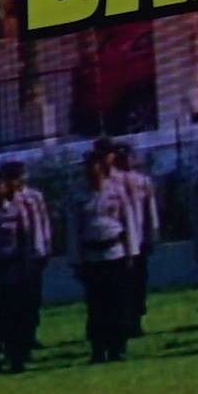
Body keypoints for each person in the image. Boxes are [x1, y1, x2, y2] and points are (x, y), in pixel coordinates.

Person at [78, 140, 161, 363]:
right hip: (92, 254)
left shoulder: (119, 190)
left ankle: (117, 346)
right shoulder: (78, 196)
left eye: (95, 165)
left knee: (117, 301)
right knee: (96, 305)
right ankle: (98, 348)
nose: (91, 171)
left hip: (115, 251)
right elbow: (72, 230)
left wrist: (132, 250)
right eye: (88, 166)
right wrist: (76, 259)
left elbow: (129, 220)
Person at [0, 165, 59, 373]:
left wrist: (29, 265)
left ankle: (17, 358)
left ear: (5, 188)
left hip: (13, 272)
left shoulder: (17, 212)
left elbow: (25, 241)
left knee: (15, 317)